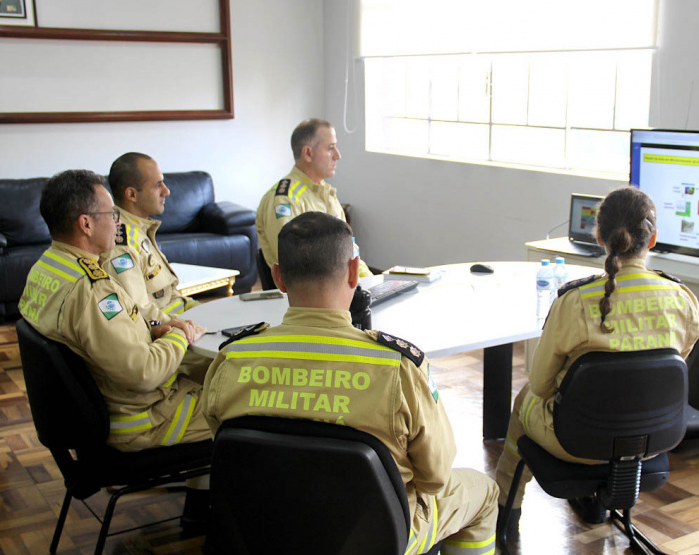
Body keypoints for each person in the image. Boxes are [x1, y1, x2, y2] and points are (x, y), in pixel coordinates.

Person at [202, 212, 497, 554]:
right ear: (355, 272)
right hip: (376, 536)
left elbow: (230, 452)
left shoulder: (232, 359)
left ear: (278, 277)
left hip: (264, 529)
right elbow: (436, 477)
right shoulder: (398, 368)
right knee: (484, 493)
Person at [494, 187, 699, 531]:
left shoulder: (575, 301)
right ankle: (595, 501)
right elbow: (672, 370)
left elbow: (542, 386)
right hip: (650, 442)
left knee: (525, 400)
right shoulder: (683, 299)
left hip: (574, 442)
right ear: (652, 240)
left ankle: (507, 507)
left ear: (600, 237)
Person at [18, 169, 212, 528]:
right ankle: (223, 519)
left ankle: (205, 507)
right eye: (111, 214)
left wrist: (157, 326)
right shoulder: (90, 290)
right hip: (140, 419)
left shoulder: (48, 269)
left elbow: (120, 324)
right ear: (86, 224)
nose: (118, 222)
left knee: (213, 379)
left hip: (97, 413)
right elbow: (143, 372)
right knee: (243, 403)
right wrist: (179, 335)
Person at [255, 118, 372, 278]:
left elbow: (349, 249)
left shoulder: (326, 194)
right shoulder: (284, 199)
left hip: (341, 286)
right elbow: (294, 262)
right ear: (308, 153)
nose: (338, 155)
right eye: (330, 148)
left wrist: (371, 281)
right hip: (311, 290)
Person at [104, 152, 197, 324]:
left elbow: (170, 294)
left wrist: (204, 310)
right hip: (169, 330)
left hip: (181, 317)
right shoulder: (121, 243)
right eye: (158, 185)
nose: (166, 191)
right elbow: (139, 312)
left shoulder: (139, 227)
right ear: (132, 195)